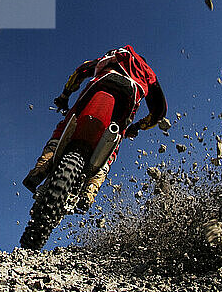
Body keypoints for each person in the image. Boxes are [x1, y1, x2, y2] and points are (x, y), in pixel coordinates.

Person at [23, 45, 167, 212]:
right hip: (130, 93)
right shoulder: (147, 71)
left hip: (102, 82)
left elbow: (81, 71)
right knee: (116, 137)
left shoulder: (118, 54)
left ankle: (44, 163)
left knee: (70, 119)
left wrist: (64, 96)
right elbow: (159, 111)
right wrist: (137, 126)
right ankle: (91, 189)